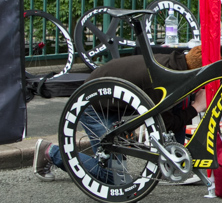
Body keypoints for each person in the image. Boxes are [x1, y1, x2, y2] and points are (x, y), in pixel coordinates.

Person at [33, 46, 205, 181]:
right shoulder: (164, 83)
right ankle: (49, 152)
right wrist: (196, 107)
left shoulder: (176, 63)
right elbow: (164, 123)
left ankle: (171, 163)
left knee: (180, 105)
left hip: (111, 99)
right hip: (93, 104)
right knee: (114, 178)